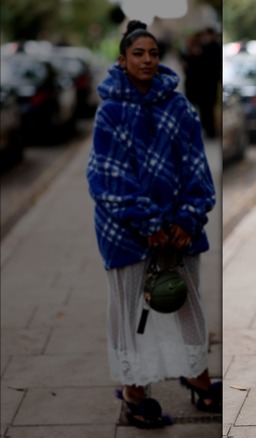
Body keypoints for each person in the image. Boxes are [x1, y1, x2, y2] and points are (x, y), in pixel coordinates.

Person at [87, 20, 221, 428]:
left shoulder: (179, 107)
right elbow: (106, 177)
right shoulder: (110, 111)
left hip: (180, 231)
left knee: (185, 303)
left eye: (152, 54)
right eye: (138, 54)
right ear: (122, 60)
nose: (146, 60)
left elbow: (197, 169)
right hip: (125, 231)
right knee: (130, 312)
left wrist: (185, 218)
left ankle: (197, 377)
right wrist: (147, 223)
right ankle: (134, 391)